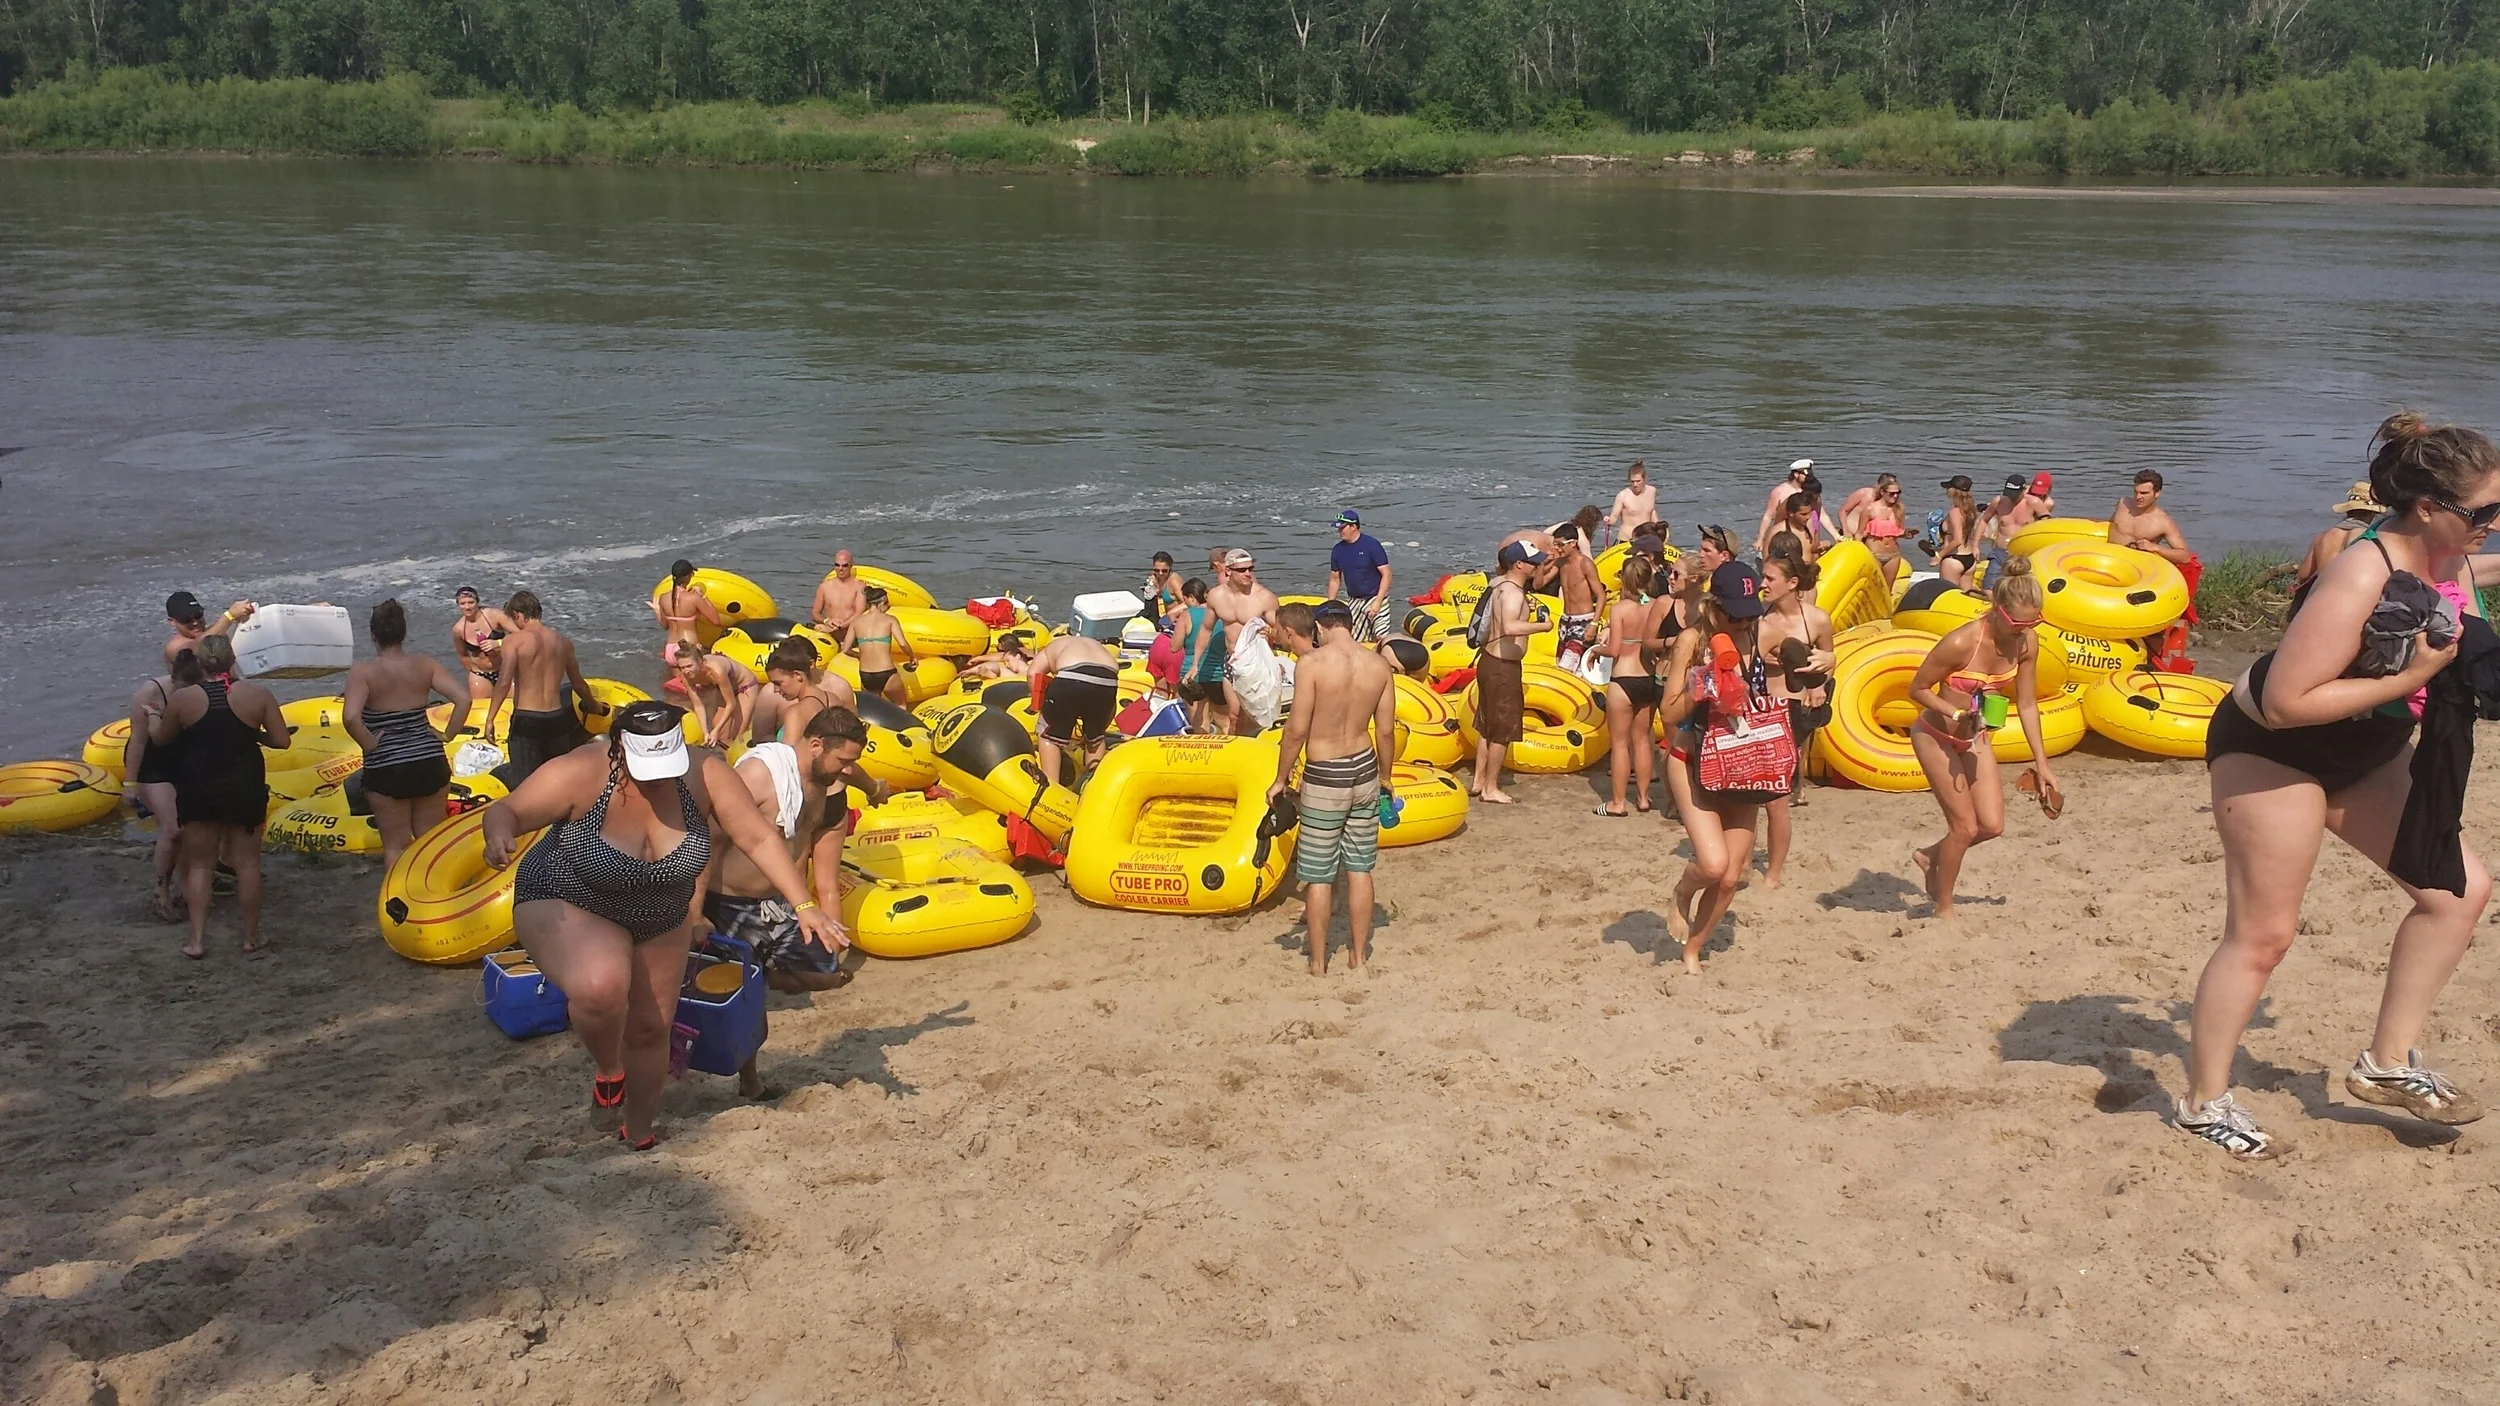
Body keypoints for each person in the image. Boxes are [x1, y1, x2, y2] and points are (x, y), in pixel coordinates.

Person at [2177, 414, 2499, 1160]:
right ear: (2428, 508)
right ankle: (2203, 1102)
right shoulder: (2362, 571)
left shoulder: (2452, 558)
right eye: (2481, 513)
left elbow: (2475, 577)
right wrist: (2421, 672)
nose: (2491, 524)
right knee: (2264, 935)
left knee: (2458, 893)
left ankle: (2387, 1063)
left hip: (2365, 746)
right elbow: (2289, 701)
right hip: (2275, 750)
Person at [485, 700, 843, 1149]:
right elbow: (508, 811)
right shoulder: (582, 769)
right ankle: (609, 1070)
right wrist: (497, 835)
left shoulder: (706, 772)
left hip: (661, 909)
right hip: (571, 894)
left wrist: (805, 903)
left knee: (653, 1027)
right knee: (602, 984)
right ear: (620, 746)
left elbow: (757, 836)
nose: (657, 775)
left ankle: (638, 1132)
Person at [707, 706, 878, 1097]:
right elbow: (710, 835)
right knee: (747, 1009)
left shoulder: (824, 774)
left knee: (825, 972)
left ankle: (761, 974)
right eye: (842, 760)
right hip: (730, 902)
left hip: (779, 903)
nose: (845, 769)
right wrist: (694, 906)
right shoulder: (760, 775)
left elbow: (855, 773)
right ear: (816, 745)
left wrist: (876, 789)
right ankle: (750, 1083)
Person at [1906, 557, 2059, 920]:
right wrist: (1954, 712)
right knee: (1964, 827)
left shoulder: (2026, 644)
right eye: (2017, 623)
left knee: (1991, 826)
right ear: (1997, 609)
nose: (2024, 630)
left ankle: (1930, 856)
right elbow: (1918, 689)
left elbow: (2026, 704)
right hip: (1935, 734)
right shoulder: (1962, 642)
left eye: (2032, 622)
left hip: (1975, 737)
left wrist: (2042, 764)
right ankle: (1944, 908)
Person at [1269, 601, 1399, 975]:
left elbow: (1295, 729)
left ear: (1322, 629)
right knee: (1359, 868)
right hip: (1364, 768)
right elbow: (1387, 730)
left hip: (1326, 772)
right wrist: (1386, 777)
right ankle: (1358, 956)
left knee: (1320, 874)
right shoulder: (1378, 665)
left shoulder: (1311, 663)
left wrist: (1281, 778)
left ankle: (1319, 961)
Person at [1656, 562, 1772, 974]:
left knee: (1730, 877)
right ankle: (1681, 895)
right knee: (1712, 864)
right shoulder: (1692, 640)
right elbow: (1667, 712)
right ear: (1713, 606)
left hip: (1742, 762)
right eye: (1733, 615)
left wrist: (1821, 662)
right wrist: (1702, 684)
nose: (1742, 622)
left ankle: (1694, 948)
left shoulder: (1758, 635)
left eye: (1749, 614)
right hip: (1692, 759)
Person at [143, 637, 289, 959]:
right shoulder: (257, 694)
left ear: (201, 664)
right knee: (249, 864)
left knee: (200, 866)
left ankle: (197, 940)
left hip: (200, 788)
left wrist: (153, 715)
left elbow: (162, 740)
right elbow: (282, 742)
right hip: (244, 787)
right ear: (232, 658)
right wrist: (253, 733)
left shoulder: (184, 699)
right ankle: (251, 938)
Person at [342, 599, 475, 868]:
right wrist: (447, 734)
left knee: (396, 845)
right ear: (404, 633)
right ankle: (434, 903)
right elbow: (463, 699)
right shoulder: (425, 665)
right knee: (431, 840)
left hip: (388, 765)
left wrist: (369, 743)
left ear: (373, 635)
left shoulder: (364, 672)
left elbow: (350, 716)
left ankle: (397, 905)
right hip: (428, 759)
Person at [1757, 556, 1834, 889]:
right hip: (1760, 706)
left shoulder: (1816, 620)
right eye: (1762, 576)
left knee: (1777, 799)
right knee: (1751, 794)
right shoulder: (1758, 620)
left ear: (1792, 584)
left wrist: (1818, 683)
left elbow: (1829, 662)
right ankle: (1746, 859)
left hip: (1792, 709)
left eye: (1770, 578)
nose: (1763, 583)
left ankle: (1773, 872)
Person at [490, 590, 609, 784]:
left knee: (526, 784)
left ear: (519, 615)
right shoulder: (563, 642)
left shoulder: (514, 641)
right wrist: (594, 706)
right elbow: (578, 684)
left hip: (527, 720)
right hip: (556, 720)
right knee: (557, 782)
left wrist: (490, 719)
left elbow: (504, 682)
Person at [1469, 540, 1551, 805]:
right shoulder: (1513, 593)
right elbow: (1510, 627)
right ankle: (1490, 788)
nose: (1538, 566)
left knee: (1487, 724)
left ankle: (1479, 780)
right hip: (1503, 667)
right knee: (1503, 729)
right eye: (1534, 562)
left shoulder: (1499, 584)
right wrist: (1543, 626)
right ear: (1520, 564)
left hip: (1489, 662)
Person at [1596, 554, 1667, 817]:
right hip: (1648, 677)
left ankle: (1617, 802)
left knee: (1620, 743)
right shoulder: (1655, 607)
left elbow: (1614, 649)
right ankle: (1644, 798)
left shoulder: (1619, 609)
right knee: (1642, 742)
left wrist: (1595, 651)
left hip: (1623, 679)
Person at [123, 659, 191, 921]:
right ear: (174, 681)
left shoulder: (205, 689)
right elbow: (138, 741)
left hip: (182, 759)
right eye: (183, 689)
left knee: (190, 827)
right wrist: (130, 784)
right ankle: (161, 890)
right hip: (152, 763)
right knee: (173, 829)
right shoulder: (150, 694)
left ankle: (187, 888)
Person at [2111, 468, 2201, 640]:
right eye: (2136, 492)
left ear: (2157, 493)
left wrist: (2155, 547)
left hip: (2131, 574)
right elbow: (2108, 525)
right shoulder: (2123, 503)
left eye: (2144, 493)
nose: (2138, 497)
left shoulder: (2163, 522)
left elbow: (2185, 556)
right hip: (2107, 562)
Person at [1028, 632, 1123, 787]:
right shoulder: (1095, 645)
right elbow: (1110, 709)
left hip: (1071, 676)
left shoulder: (1051, 647)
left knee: (1048, 737)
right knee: (1096, 739)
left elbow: (1033, 674)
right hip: (1108, 679)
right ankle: (1092, 784)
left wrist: (1043, 707)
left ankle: (1051, 789)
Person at [1211, 549, 1283, 733]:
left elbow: (1283, 631)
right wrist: (1195, 664)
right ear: (1228, 571)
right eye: (1242, 570)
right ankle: (1237, 751)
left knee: (1254, 715)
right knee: (1234, 714)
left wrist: (1271, 632)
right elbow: (1205, 629)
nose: (1248, 573)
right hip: (1231, 660)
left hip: (1256, 663)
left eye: (1250, 569)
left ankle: (1254, 745)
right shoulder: (1217, 595)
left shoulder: (1264, 597)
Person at [667, 645, 767, 750]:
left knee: (738, 735)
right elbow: (698, 705)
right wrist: (705, 732)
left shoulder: (716, 671)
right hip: (723, 689)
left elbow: (731, 703)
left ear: (700, 662)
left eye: (689, 666)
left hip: (745, 687)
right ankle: (727, 761)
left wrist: (716, 730)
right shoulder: (686, 677)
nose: (686, 671)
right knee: (722, 737)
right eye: (682, 667)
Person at [2296, 480, 2385, 594]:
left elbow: (2303, 575)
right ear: (2372, 513)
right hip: (2350, 599)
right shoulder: (2369, 538)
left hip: (2321, 597)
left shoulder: (2322, 537)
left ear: (2348, 511)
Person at [762, 637, 856, 742]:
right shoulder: (833, 699)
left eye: (778, 683)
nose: (775, 689)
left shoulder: (796, 713)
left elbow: (788, 756)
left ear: (797, 675)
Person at [1325, 510, 1394, 642]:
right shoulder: (1338, 550)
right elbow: (1335, 579)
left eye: (1342, 527)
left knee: (1380, 635)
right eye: (1338, 528)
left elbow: (1387, 574)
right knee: (1354, 640)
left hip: (1375, 597)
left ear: (1354, 526)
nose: (1339, 531)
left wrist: (1378, 602)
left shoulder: (1371, 545)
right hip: (1354, 601)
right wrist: (1330, 603)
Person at [1173, 577, 1229, 732]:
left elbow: (1174, 647)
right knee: (1224, 721)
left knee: (1200, 722)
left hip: (1192, 674)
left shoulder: (1187, 615)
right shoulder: (1223, 615)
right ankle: (1228, 753)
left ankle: (1205, 753)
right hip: (1217, 674)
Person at [652, 559, 723, 663]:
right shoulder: (694, 598)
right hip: (688, 648)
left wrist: (657, 611)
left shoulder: (663, 598)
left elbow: (665, 625)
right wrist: (703, 596)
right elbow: (716, 621)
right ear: (687, 577)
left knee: (675, 679)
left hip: (670, 649)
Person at [162, 591, 255, 668]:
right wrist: (230, 615)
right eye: (186, 619)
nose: (195, 622)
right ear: (172, 621)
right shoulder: (174, 648)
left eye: (198, 615)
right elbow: (199, 646)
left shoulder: (214, 631)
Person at [450, 587, 513, 700]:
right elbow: (463, 656)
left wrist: (498, 643)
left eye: (471, 602)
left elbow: (521, 635)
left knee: (514, 706)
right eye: (462, 603)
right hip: (480, 674)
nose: (467, 607)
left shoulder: (494, 615)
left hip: (504, 669)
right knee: (481, 710)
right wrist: (473, 672)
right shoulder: (458, 629)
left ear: (478, 602)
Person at [849, 586, 907, 705]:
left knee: (874, 709)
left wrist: (859, 655)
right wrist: (912, 657)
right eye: (887, 604)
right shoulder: (890, 620)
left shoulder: (856, 622)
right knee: (901, 705)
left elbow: (845, 649)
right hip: (886, 671)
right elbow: (902, 643)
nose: (887, 608)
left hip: (865, 674)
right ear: (881, 603)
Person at [1757, 483, 1828, 565]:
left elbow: (1811, 550)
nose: (1808, 517)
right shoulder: (1777, 532)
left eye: (1809, 513)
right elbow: (1767, 560)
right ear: (1791, 513)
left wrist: (1823, 546)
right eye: (1803, 514)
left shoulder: (1810, 525)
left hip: (1809, 572)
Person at [1931, 476, 1982, 588]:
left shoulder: (1955, 512)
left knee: (1948, 596)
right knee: (1966, 598)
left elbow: (1957, 540)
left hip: (1954, 559)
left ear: (1953, 491)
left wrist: (1939, 556)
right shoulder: (1970, 510)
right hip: (1969, 558)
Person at [811, 551, 867, 645]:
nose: (840, 569)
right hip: (830, 638)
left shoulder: (859, 587)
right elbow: (815, 614)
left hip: (851, 638)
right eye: (837, 565)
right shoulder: (824, 587)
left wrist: (840, 626)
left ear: (851, 565)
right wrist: (826, 621)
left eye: (844, 565)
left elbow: (859, 613)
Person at [1607, 461, 1659, 547]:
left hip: (1646, 539)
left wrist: (1659, 527)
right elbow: (1614, 518)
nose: (1635, 484)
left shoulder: (1652, 491)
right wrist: (1608, 520)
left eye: (1638, 481)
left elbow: (1651, 511)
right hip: (1625, 541)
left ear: (1645, 479)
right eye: (1632, 481)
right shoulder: (1622, 496)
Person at [1840, 473, 1904, 539]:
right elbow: (1843, 511)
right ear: (1877, 485)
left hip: (1870, 537)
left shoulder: (1890, 502)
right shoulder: (1864, 494)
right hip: (1852, 534)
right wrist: (1846, 531)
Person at [1760, 458, 1815, 531]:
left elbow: (1822, 515)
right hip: (1785, 532)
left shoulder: (1809, 490)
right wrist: (1760, 539)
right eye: (1806, 475)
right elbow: (1768, 516)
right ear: (1796, 474)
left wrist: (1835, 535)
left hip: (1805, 532)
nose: (1809, 477)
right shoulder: (1779, 491)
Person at [1864, 517, 1911, 590]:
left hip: (1893, 555)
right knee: (1871, 587)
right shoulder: (1870, 508)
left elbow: (1893, 532)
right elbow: (1860, 533)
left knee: (1888, 589)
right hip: (1874, 554)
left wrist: (1904, 533)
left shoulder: (1898, 510)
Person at [1141, 552, 1180, 623]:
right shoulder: (1154, 578)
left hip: (1177, 619)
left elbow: (1188, 603)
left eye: (1164, 570)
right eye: (1156, 570)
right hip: (1162, 618)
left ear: (1170, 567)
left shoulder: (1174, 581)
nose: (1160, 573)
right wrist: (1153, 586)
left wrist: (1171, 613)